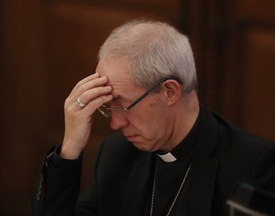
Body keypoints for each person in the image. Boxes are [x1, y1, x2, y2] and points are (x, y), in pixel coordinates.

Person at [28, 20, 275, 216]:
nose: (116, 124)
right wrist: (70, 148)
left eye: (124, 106)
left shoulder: (254, 165)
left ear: (169, 91)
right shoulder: (117, 154)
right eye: (108, 108)